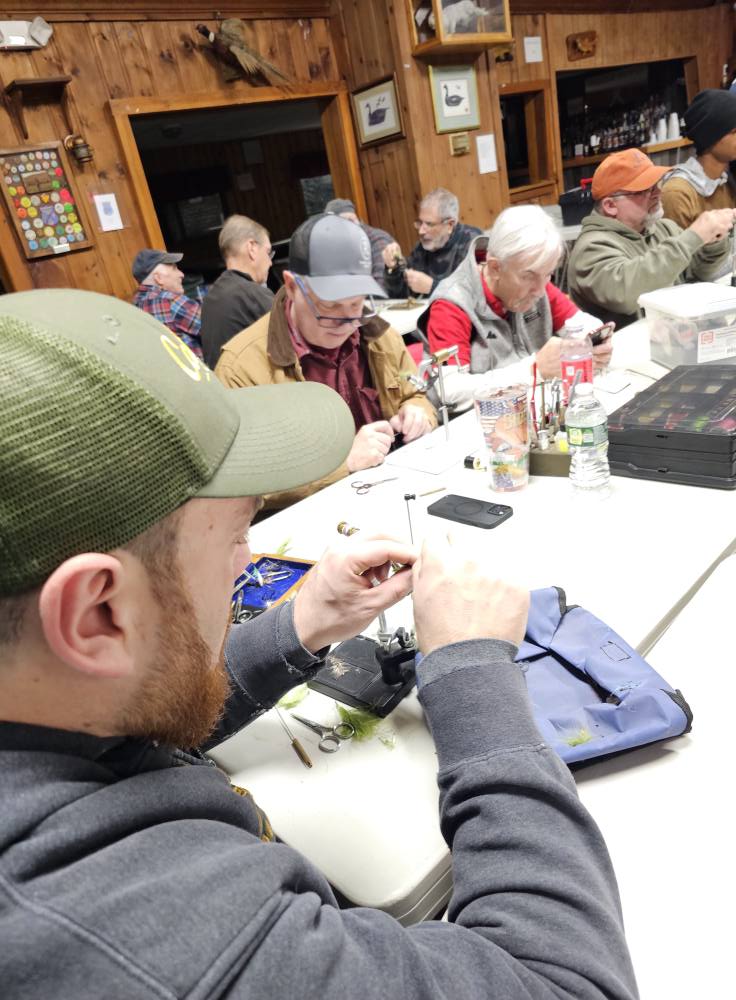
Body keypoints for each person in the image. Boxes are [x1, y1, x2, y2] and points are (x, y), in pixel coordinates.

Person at [0, 287, 638, 1000]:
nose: (247, 561)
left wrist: (303, 622)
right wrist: (473, 671)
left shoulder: (38, 702)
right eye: (237, 533)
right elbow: (565, 983)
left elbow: (120, 701)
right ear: (98, 613)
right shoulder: (140, 930)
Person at [215, 213, 437, 509]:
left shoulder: (378, 334)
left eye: (356, 303)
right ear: (292, 286)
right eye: (330, 306)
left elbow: (416, 395)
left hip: (393, 496)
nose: (346, 322)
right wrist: (343, 464)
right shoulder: (240, 369)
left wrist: (418, 414)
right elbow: (242, 481)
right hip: (307, 520)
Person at [420, 205, 612, 412]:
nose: (540, 290)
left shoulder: (537, 282)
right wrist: (534, 370)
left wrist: (594, 345)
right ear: (495, 268)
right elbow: (449, 391)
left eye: (548, 274)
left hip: (533, 411)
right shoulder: (452, 304)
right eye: (528, 277)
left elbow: (582, 324)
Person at [568, 148, 736, 328]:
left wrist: (713, 241)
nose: (657, 193)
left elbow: (700, 274)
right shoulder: (591, 249)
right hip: (626, 344)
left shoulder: (664, 228)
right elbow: (628, 294)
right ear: (610, 205)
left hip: (673, 338)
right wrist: (693, 237)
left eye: (656, 185)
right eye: (644, 190)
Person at [200, 214, 275, 370]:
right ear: (252, 248)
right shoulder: (252, 295)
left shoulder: (211, 298)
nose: (270, 262)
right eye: (268, 252)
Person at [381, 187, 482, 298]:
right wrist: (393, 269)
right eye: (420, 223)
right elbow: (400, 297)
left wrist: (432, 287)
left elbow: (477, 296)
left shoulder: (473, 243)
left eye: (429, 224)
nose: (421, 231)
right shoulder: (422, 247)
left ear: (450, 225)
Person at [661, 89, 736, 231]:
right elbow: (677, 245)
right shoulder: (677, 193)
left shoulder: (725, 183)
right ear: (711, 136)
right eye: (734, 131)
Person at [131, 247, 204, 358]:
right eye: (174, 268)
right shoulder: (171, 301)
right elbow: (216, 328)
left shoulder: (135, 305)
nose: (181, 274)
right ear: (158, 278)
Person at [325, 197, 396, 292]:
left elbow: (381, 286)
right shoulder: (343, 243)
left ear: (352, 220)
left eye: (335, 227)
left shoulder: (377, 239)